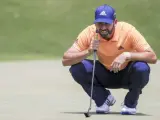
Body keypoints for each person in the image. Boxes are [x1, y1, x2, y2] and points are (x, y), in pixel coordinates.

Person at [62, 4, 157, 115]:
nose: (102, 28)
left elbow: (152, 57)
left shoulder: (127, 31)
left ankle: (130, 103)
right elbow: (65, 60)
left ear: (115, 22)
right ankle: (103, 100)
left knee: (141, 68)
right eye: (99, 24)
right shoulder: (90, 32)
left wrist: (127, 55)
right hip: (104, 74)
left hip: (127, 74)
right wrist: (88, 51)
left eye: (106, 24)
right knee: (77, 68)